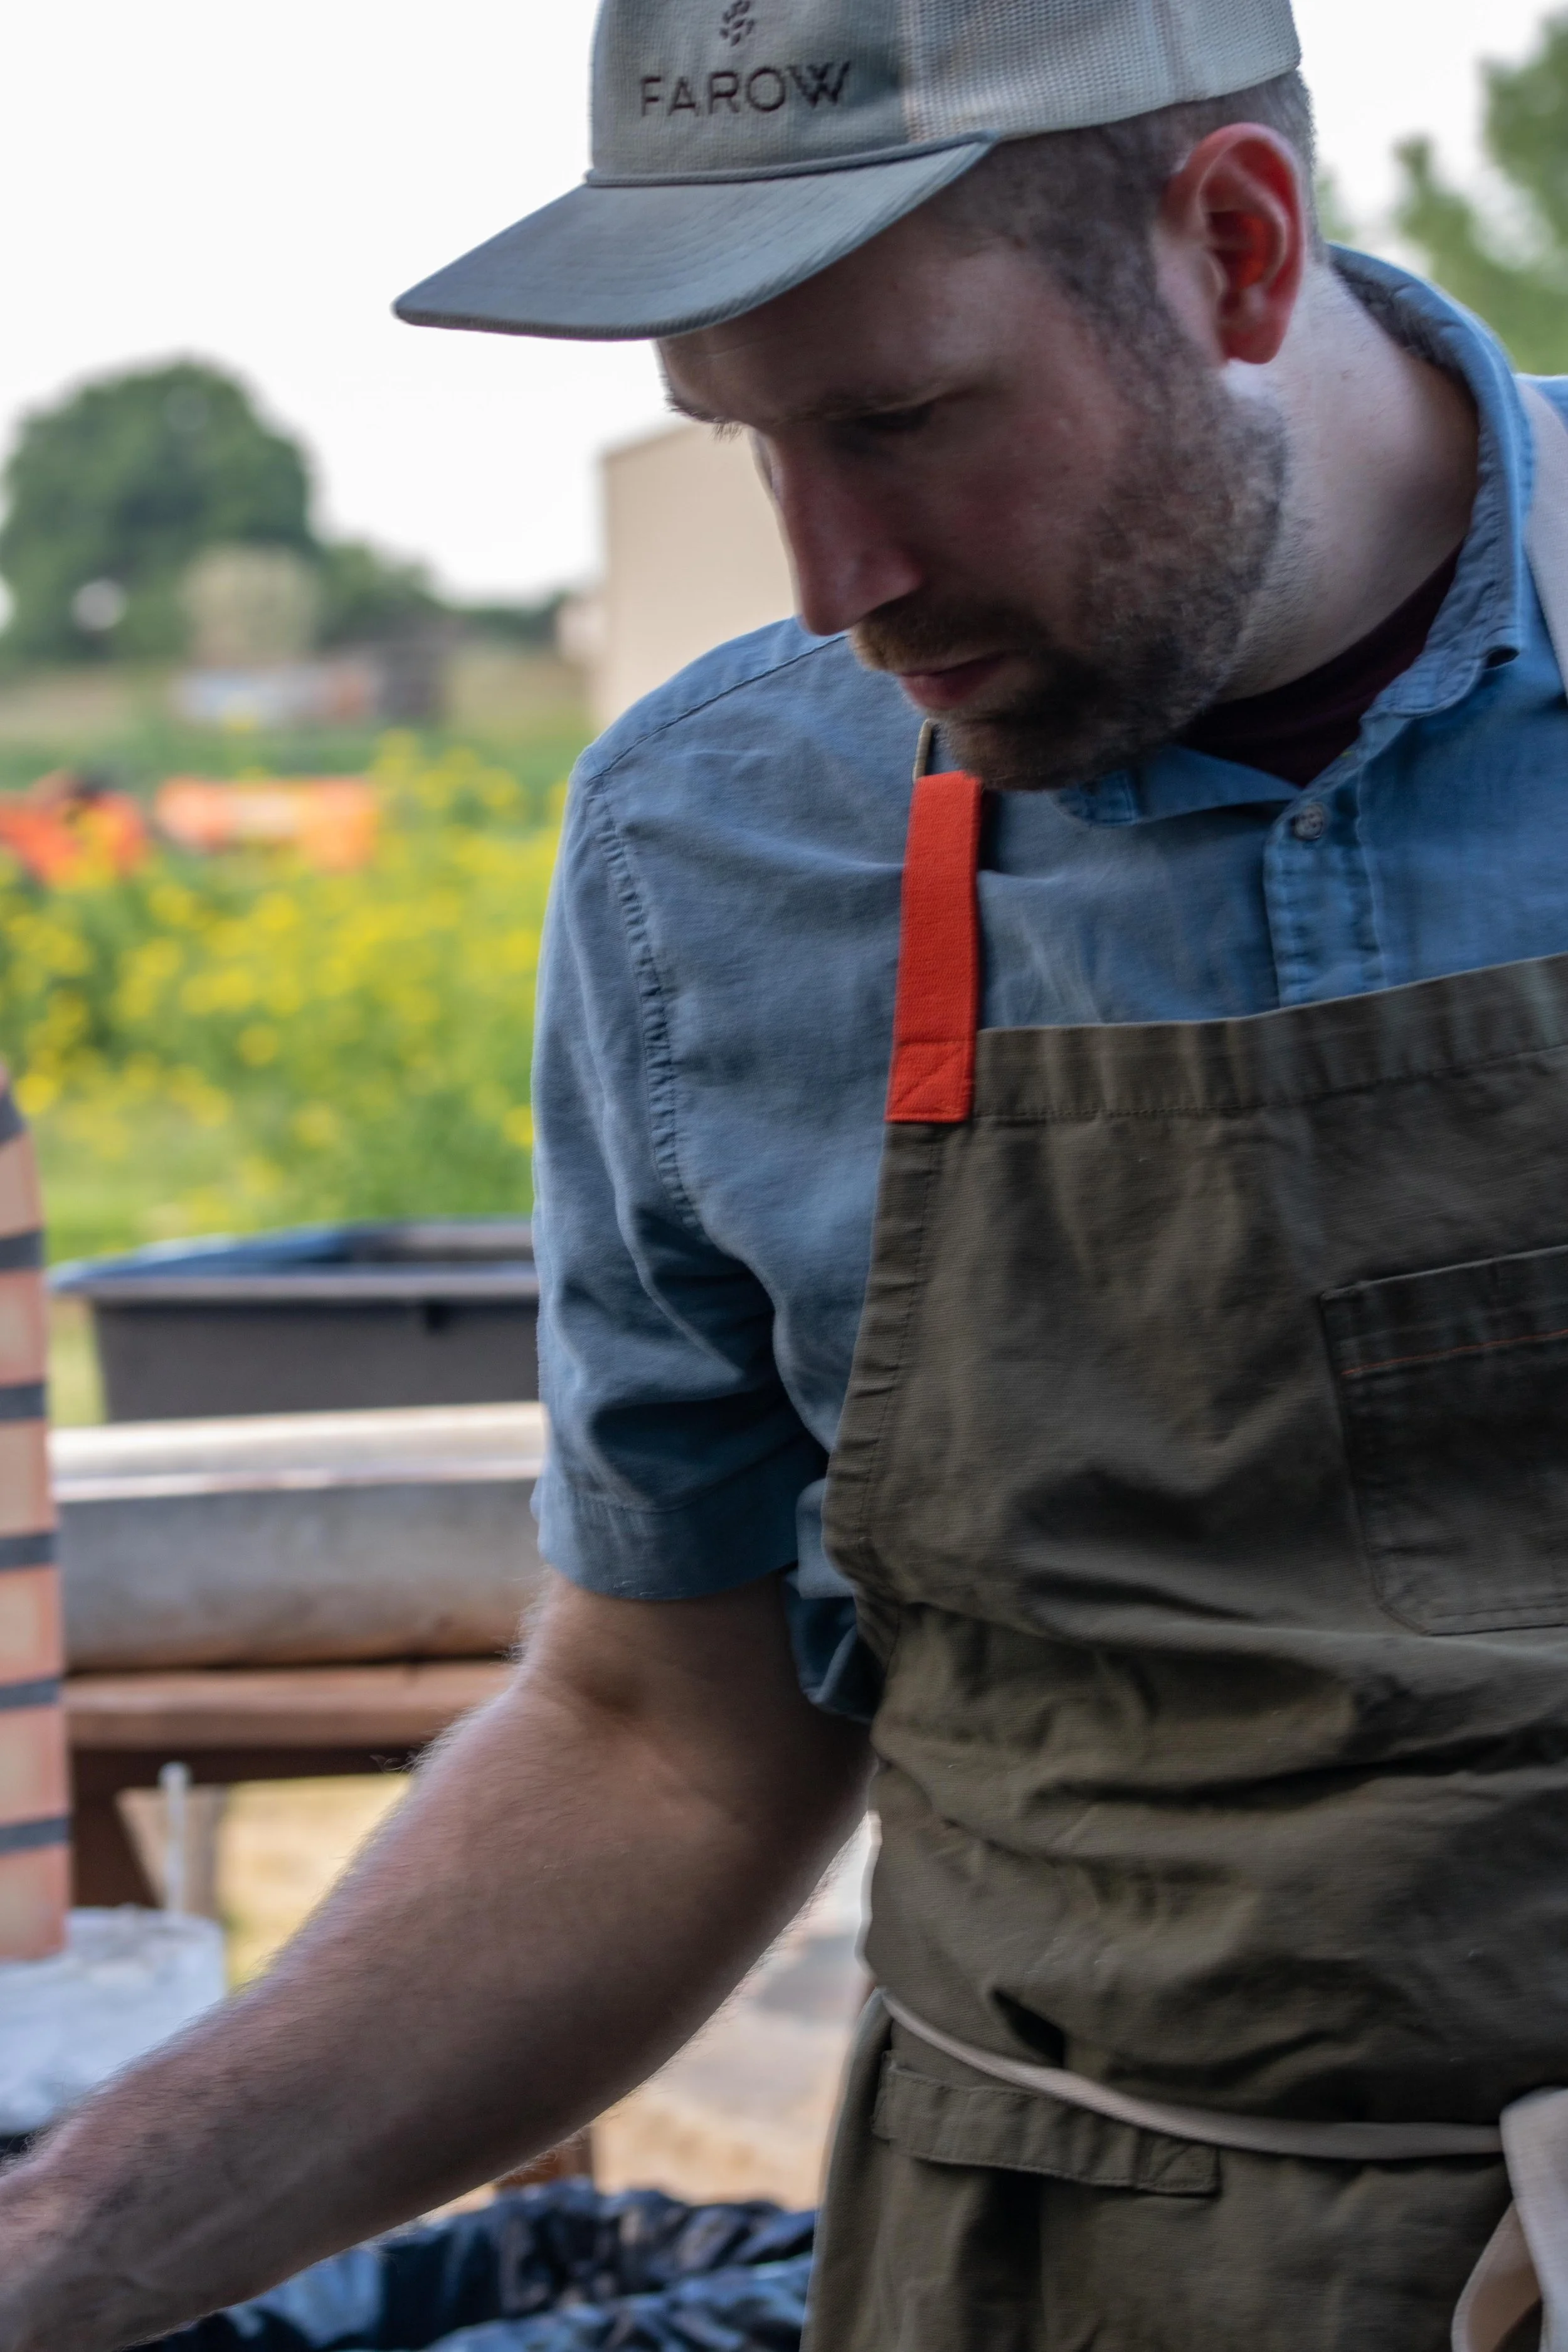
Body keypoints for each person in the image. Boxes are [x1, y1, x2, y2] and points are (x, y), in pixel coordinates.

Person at [5, 0, 1568, 2344]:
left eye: (900, 419)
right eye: (743, 440)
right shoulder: (711, 848)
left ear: (1235, 247)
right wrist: (60, 2255)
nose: (835, 578)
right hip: (1032, 2265)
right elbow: (665, 1736)